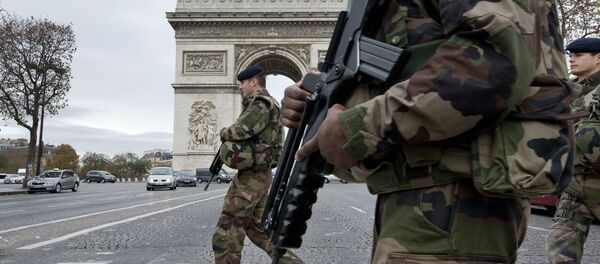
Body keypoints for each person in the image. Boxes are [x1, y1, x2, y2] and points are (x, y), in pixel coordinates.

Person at [282, 1, 573, 263]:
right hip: (422, 199)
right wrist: (322, 100)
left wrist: (359, 125)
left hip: (453, 204)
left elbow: (499, 55)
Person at [212, 65, 303, 264]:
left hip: (252, 177)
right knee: (258, 229)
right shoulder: (269, 103)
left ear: (253, 81)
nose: (240, 88)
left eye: (243, 83)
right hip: (260, 175)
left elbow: (238, 131)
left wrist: (223, 132)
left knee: (227, 231)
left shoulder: (259, 104)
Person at [547, 37, 600, 264]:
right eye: (570, 54)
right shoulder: (570, 93)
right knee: (560, 250)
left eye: (578, 55)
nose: (571, 59)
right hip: (574, 184)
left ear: (598, 58)